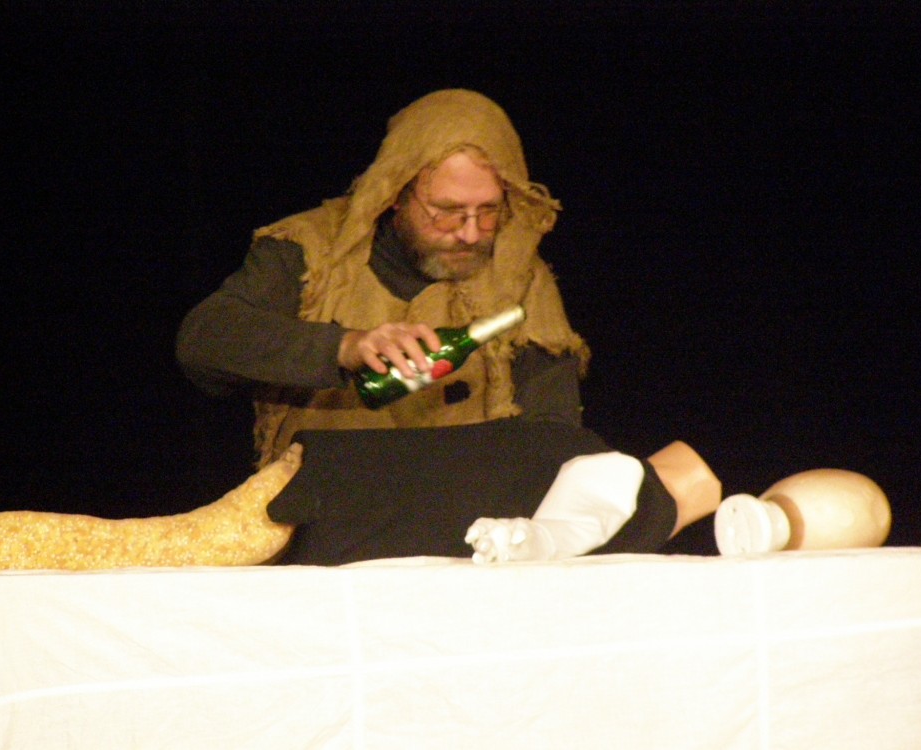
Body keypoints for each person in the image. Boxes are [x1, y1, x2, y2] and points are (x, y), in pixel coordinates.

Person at [177, 89, 721, 564]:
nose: (470, 232)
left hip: (463, 535)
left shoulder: (519, 277)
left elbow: (552, 440)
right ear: (396, 193)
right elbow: (204, 341)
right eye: (447, 210)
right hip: (321, 521)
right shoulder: (312, 252)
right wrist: (344, 347)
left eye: (489, 210)